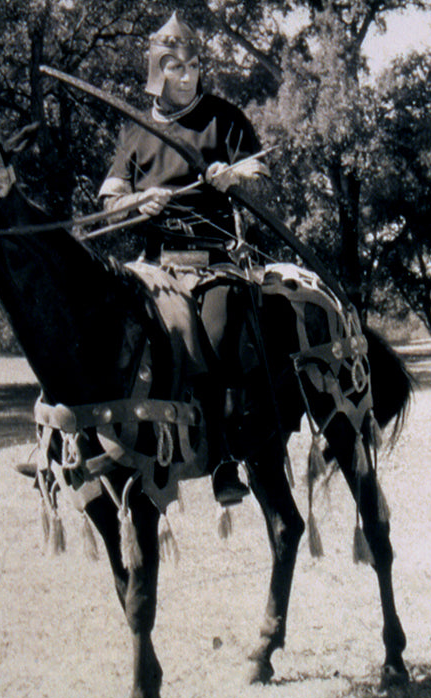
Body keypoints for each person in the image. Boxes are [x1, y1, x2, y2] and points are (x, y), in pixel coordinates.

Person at [99, 12, 267, 505]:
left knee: (218, 334)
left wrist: (232, 176)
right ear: (157, 71)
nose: (188, 75)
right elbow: (109, 199)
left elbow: (260, 173)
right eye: (175, 67)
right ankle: (96, 445)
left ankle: (224, 460)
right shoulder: (135, 132)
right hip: (153, 264)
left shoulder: (225, 118)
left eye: (193, 65)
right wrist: (136, 203)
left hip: (214, 260)